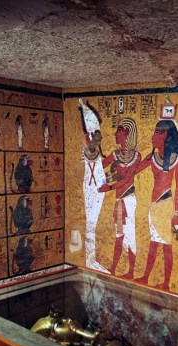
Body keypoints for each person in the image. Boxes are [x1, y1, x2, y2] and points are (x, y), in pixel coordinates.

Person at [135, 119, 178, 289]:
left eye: (157, 133)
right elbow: (134, 170)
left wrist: (176, 214)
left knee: (166, 246)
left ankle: (166, 283)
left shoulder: (177, 159)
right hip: (154, 206)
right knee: (153, 243)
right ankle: (146, 278)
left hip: (165, 204)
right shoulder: (152, 157)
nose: (153, 137)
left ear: (167, 136)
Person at [97, 118, 142, 278]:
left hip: (128, 199)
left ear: (127, 134)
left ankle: (130, 271)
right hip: (119, 201)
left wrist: (108, 187)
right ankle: (113, 270)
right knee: (119, 236)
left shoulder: (136, 156)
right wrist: (92, 153)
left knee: (129, 236)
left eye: (119, 131)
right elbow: (100, 168)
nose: (116, 134)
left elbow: (127, 179)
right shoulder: (115, 154)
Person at [79, 99, 110, 273]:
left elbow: (100, 173)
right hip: (91, 188)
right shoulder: (88, 151)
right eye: (97, 133)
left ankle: (92, 259)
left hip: (98, 188)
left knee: (94, 224)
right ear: (89, 136)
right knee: (91, 224)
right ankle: (90, 260)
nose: (101, 136)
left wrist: (106, 182)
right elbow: (93, 164)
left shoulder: (95, 151)